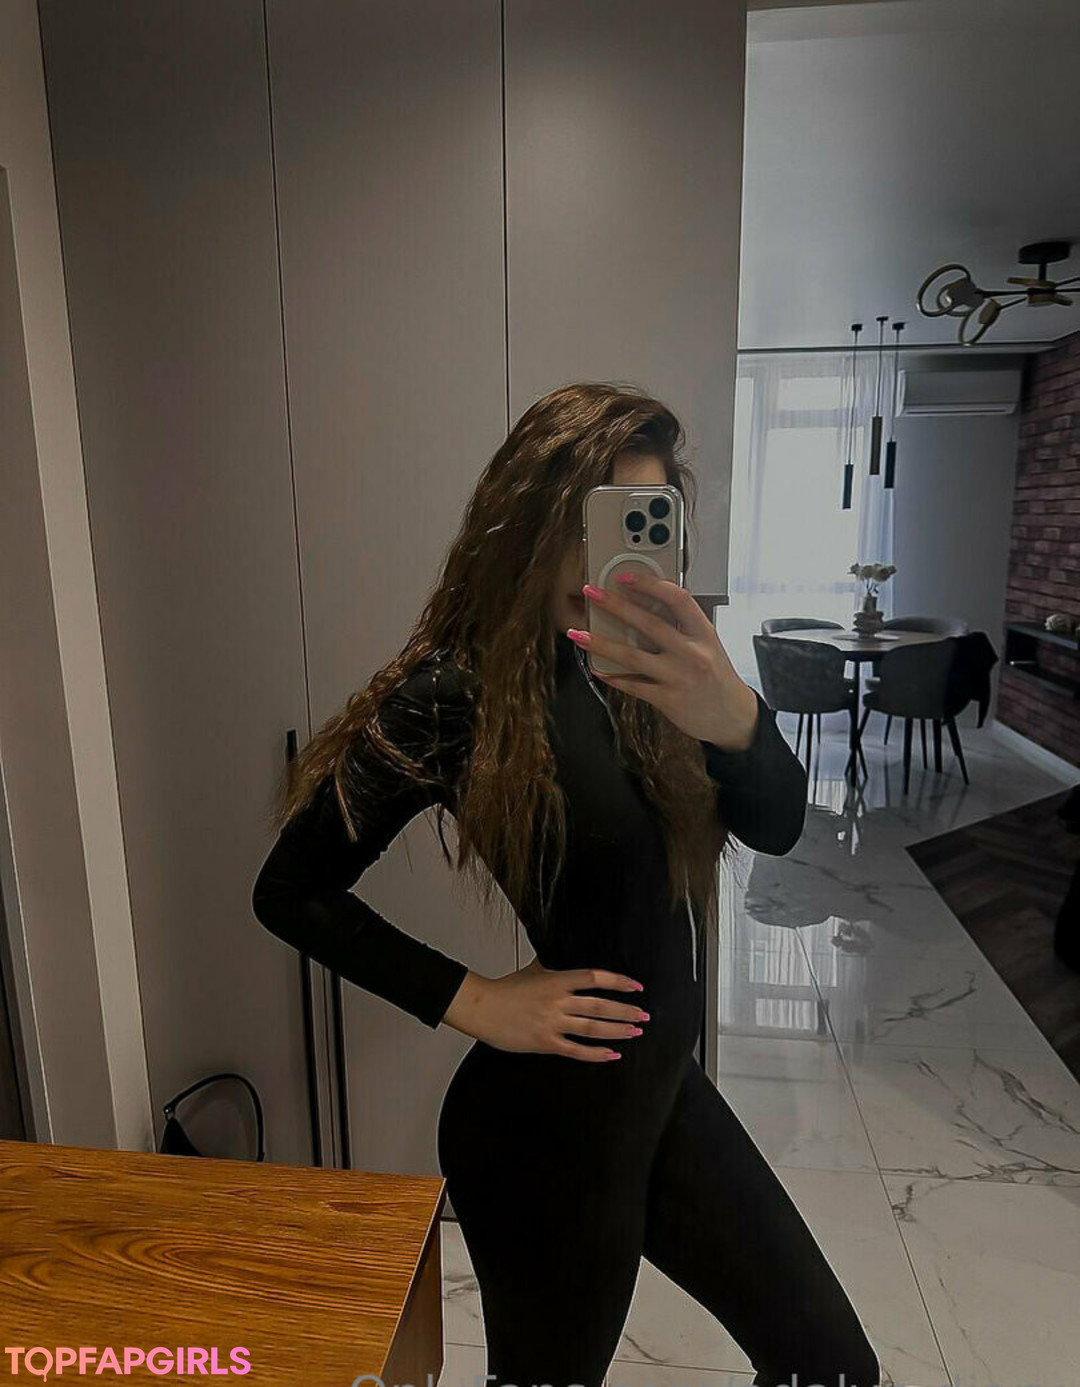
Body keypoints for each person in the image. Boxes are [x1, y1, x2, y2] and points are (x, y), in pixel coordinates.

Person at [251, 383, 882, 1387]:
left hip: (660, 1093)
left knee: (833, 1364)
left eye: (635, 522)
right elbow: (291, 889)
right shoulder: (456, 692)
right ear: (528, 524)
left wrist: (735, 716)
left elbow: (778, 823)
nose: (600, 564)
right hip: (547, 1128)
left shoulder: (661, 678)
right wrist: (476, 1000)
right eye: (582, 523)